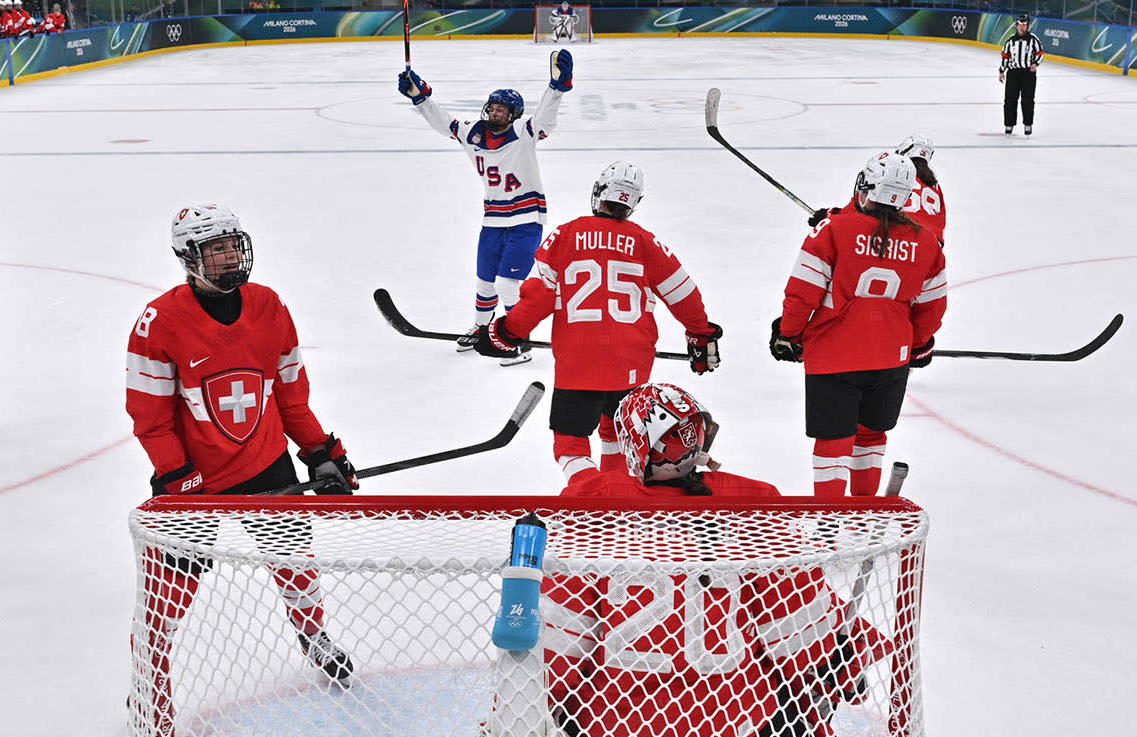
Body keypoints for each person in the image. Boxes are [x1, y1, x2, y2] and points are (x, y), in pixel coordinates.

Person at [405, 382, 893, 737]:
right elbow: (798, 625)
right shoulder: (754, 503)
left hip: (609, 716)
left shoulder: (591, 505)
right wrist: (839, 664)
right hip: (729, 720)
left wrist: (519, 718)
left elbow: (559, 638)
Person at [124, 203, 358, 682]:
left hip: (266, 464)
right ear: (188, 257)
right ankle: (149, 675)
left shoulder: (269, 306)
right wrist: (177, 478)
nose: (230, 256)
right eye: (216, 249)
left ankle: (313, 636)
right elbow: (151, 420)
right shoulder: (159, 322)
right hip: (194, 480)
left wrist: (320, 452)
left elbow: (291, 397)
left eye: (233, 245)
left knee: (295, 560)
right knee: (172, 585)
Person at [473, 162, 721, 480]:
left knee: (570, 443)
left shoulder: (565, 235)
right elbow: (684, 294)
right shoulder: (646, 242)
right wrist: (700, 335)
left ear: (599, 193)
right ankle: (616, 498)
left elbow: (538, 298)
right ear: (634, 203)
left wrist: (505, 333)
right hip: (631, 362)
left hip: (578, 361)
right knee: (617, 432)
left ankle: (589, 494)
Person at [772, 152, 947, 498]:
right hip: (891, 359)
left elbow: (802, 293)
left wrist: (788, 334)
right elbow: (932, 307)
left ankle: (829, 523)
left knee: (833, 441)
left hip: (834, 357)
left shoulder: (832, 231)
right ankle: (865, 514)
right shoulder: (927, 242)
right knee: (870, 436)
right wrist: (917, 345)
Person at [397, 51, 573, 347]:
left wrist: (557, 88)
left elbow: (545, 118)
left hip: (526, 220)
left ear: (513, 115)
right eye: (492, 108)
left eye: (502, 110)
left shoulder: (523, 133)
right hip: (492, 220)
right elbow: (445, 123)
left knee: (507, 284)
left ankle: (518, 340)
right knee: (484, 282)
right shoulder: (473, 133)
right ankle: (481, 328)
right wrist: (421, 98)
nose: (494, 113)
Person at [809, 134, 945, 247]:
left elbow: (863, 207)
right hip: (930, 245)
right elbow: (940, 222)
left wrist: (831, 214)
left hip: (899, 239)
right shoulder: (935, 186)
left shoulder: (893, 175)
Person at [999, 12, 1042, 136]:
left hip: (1028, 74)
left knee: (1027, 100)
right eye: (1020, 24)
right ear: (1016, 25)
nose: (1022, 27)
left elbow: (1040, 54)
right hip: (1013, 73)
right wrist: (1002, 71)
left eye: (1024, 25)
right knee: (1010, 100)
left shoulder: (1033, 40)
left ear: (1027, 26)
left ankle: (1028, 124)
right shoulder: (1010, 41)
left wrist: (1035, 64)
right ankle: (1009, 124)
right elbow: (1005, 57)